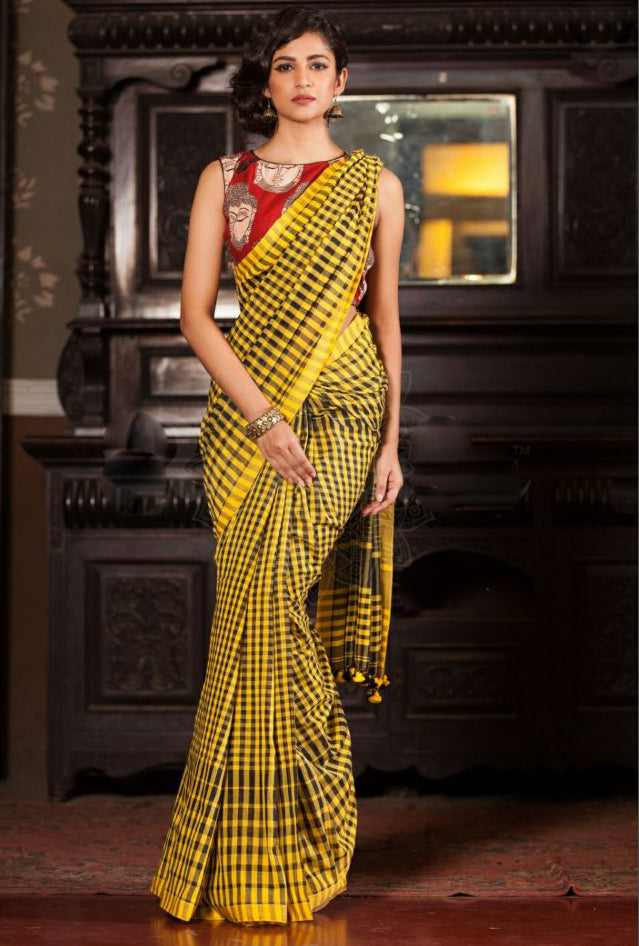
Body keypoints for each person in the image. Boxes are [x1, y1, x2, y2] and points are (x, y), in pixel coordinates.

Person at [150, 3, 404, 927]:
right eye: (285, 64)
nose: (302, 79)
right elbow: (194, 316)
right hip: (245, 419)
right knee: (252, 616)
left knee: (266, 603)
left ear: (342, 82)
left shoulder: (372, 184)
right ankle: (262, 851)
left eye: (318, 64)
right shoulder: (225, 180)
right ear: (265, 82)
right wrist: (260, 418)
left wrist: (390, 442)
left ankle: (300, 817)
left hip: (343, 409)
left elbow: (384, 319)